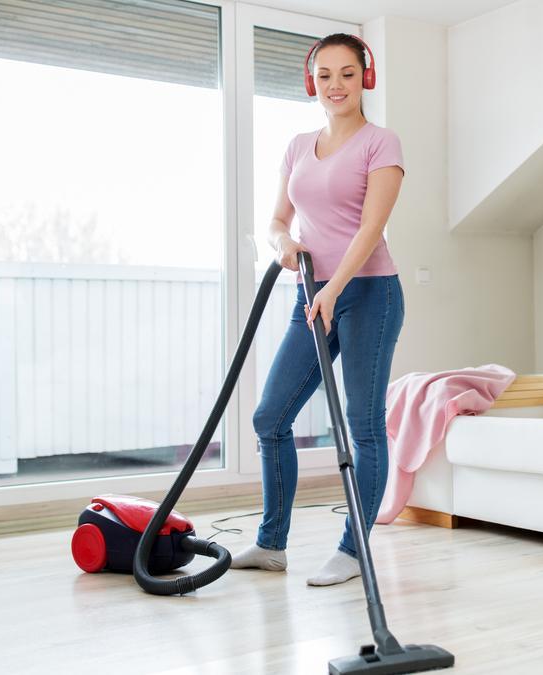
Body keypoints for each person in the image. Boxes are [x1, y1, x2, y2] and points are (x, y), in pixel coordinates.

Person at [230, 32, 405, 586]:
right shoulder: (298, 145)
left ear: (365, 79)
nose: (336, 85)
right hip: (312, 294)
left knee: (362, 426)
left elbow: (371, 228)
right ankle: (271, 544)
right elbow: (278, 220)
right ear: (312, 83)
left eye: (347, 74)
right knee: (270, 417)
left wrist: (334, 290)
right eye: (325, 75)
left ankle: (354, 551)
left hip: (369, 294)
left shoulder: (382, 143)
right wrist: (284, 245)